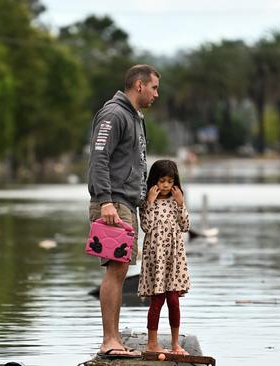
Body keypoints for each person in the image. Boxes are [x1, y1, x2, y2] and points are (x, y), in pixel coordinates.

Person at [88, 64, 160, 358]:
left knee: (120, 271)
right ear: (139, 85)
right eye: (154, 87)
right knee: (115, 272)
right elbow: (99, 158)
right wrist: (105, 200)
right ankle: (109, 341)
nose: (157, 94)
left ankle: (114, 339)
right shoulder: (114, 114)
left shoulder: (134, 117)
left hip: (125, 204)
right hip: (113, 204)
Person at [138, 159, 191, 355]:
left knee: (174, 300)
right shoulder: (147, 202)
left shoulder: (177, 201)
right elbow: (146, 226)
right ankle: (152, 343)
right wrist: (150, 202)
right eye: (162, 181)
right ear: (154, 181)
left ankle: (176, 344)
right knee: (157, 300)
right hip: (156, 258)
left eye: (170, 181)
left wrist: (181, 204)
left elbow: (185, 226)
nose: (166, 185)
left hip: (174, 258)